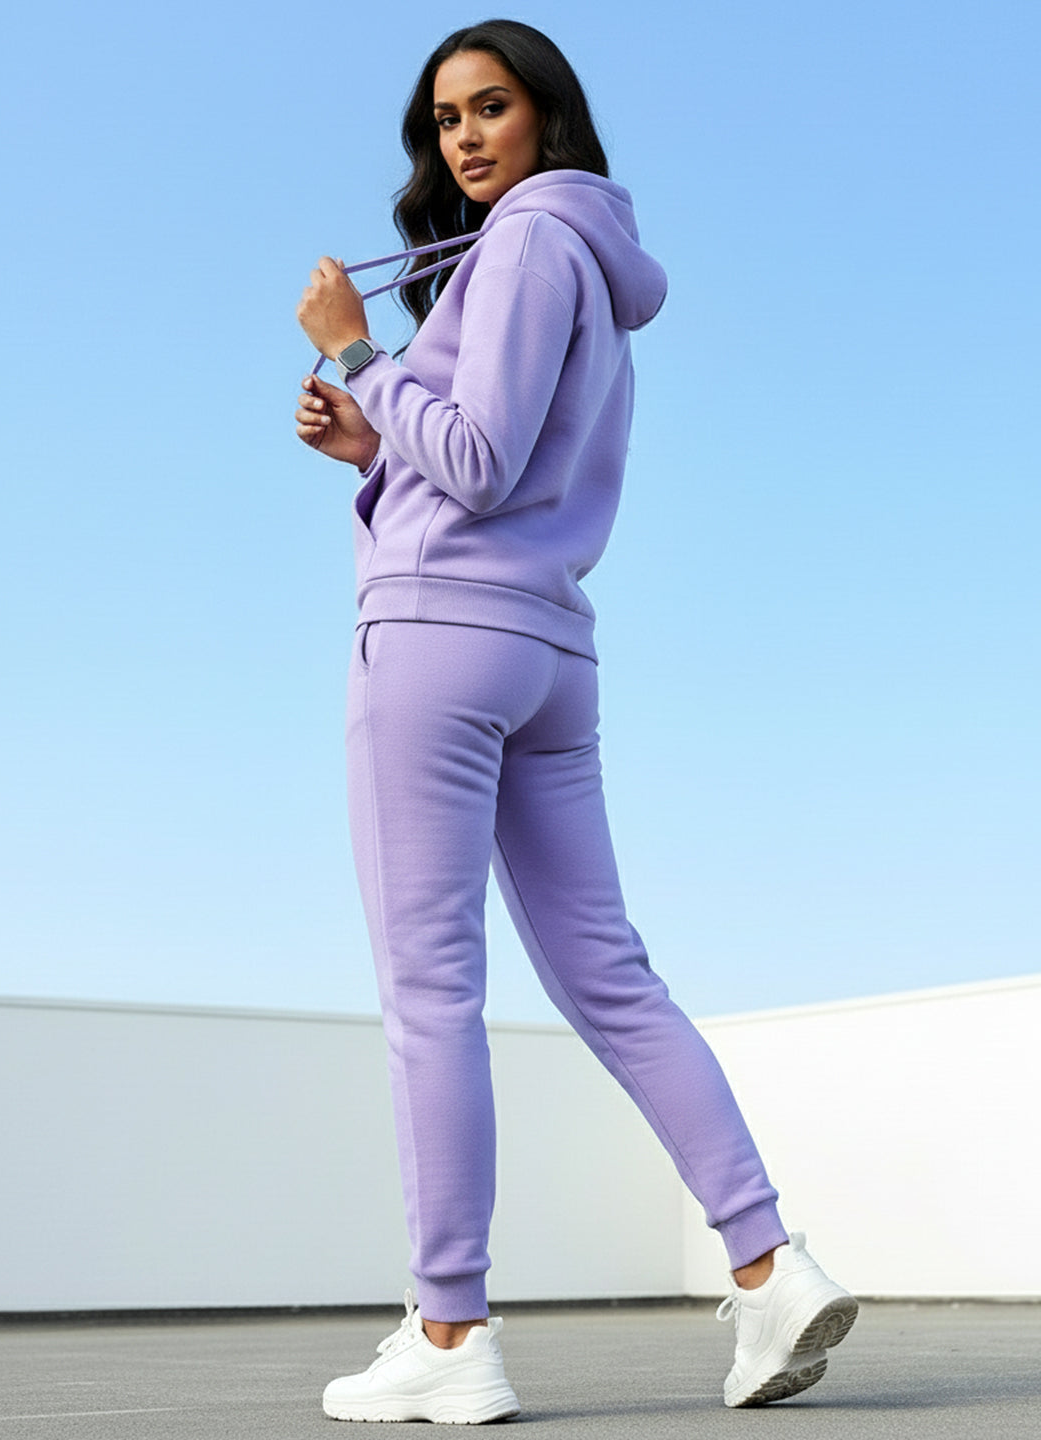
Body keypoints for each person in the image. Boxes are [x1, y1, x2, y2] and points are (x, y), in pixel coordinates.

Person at [294, 18, 857, 1423]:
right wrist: (373, 441)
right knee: (609, 973)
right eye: (445, 121)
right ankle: (768, 1265)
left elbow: (479, 465)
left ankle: (449, 1334)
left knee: (432, 993)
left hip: (438, 642)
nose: (464, 139)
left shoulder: (528, 244)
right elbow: (498, 459)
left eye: (490, 108)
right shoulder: (587, 259)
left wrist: (358, 351)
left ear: (546, 114)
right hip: (548, 649)